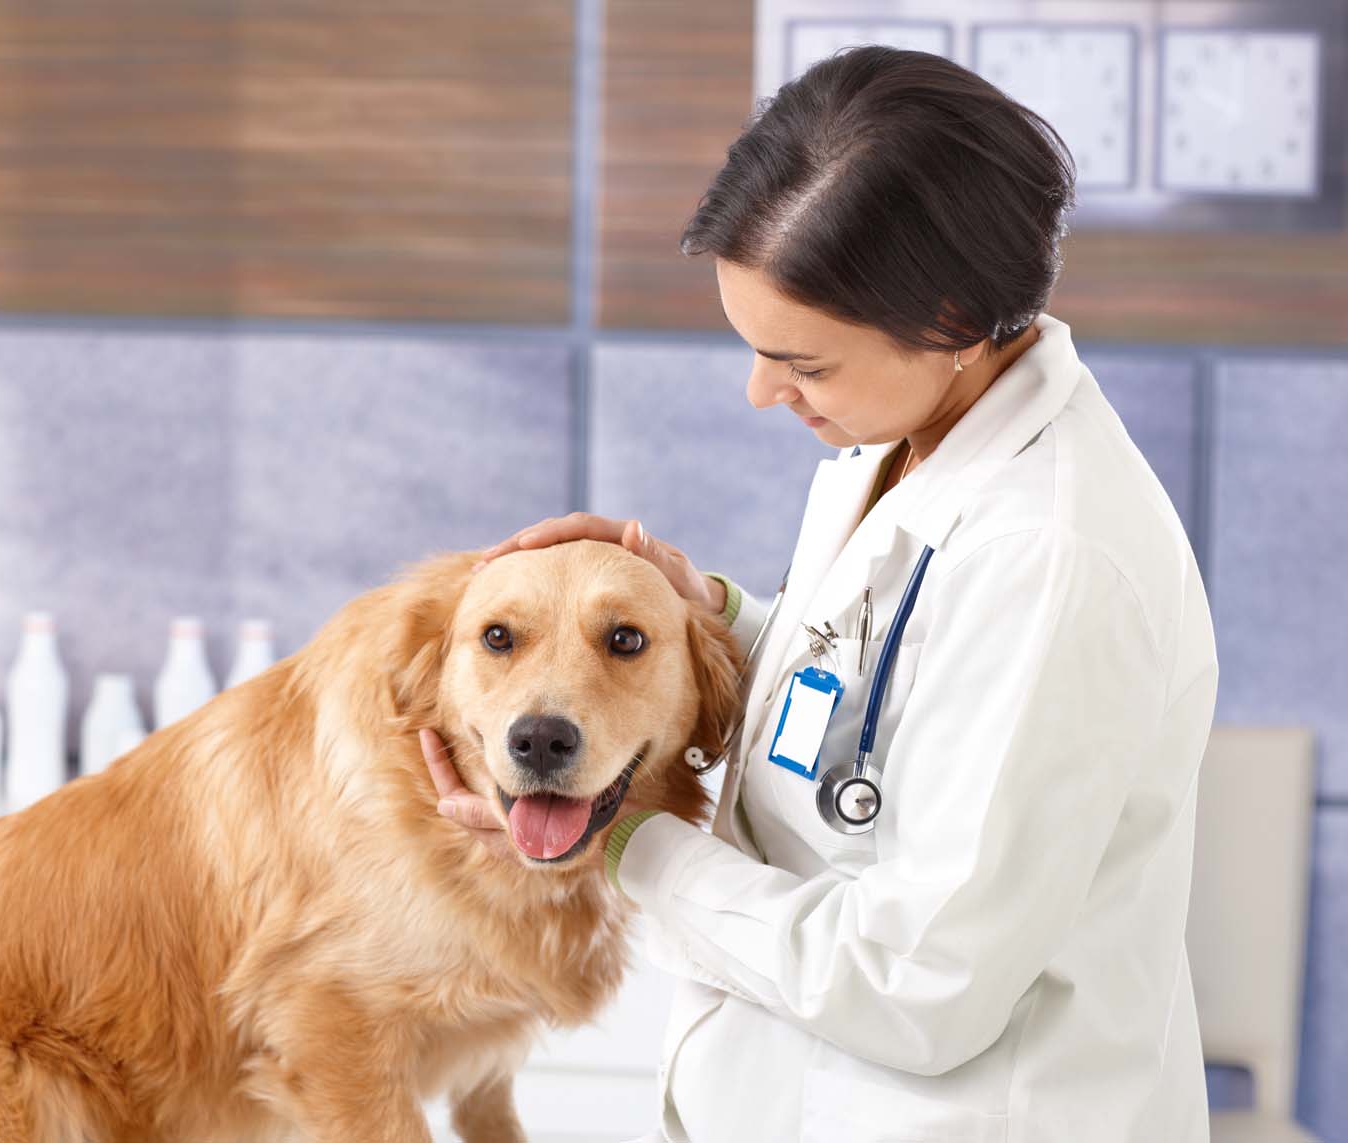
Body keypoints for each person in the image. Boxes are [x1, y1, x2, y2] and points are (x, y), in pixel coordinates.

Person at [421, 45, 1217, 1143]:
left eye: (802, 361)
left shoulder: (1050, 558)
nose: (762, 392)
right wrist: (706, 613)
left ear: (944, 314)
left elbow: (916, 984)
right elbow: (889, 705)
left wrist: (624, 841)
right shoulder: (899, 446)